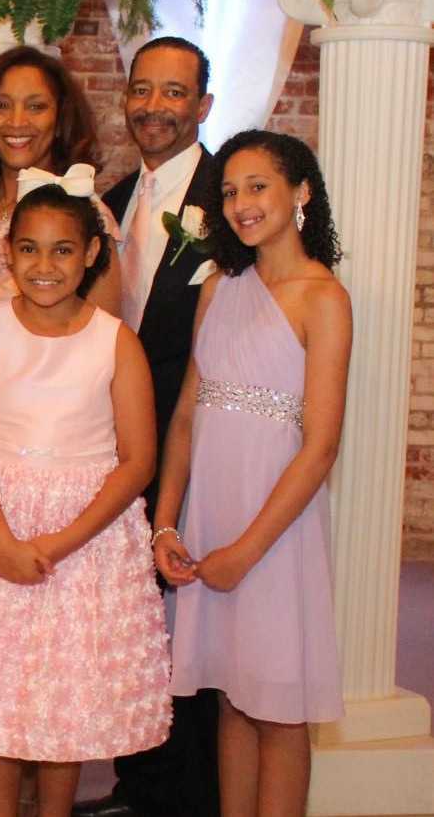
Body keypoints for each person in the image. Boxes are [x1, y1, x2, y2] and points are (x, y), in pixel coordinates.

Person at [0, 182, 171, 817]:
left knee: (69, 694)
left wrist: (59, 544)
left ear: (92, 252)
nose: (44, 266)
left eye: (62, 251)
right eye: (30, 249)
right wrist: (2, 541)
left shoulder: (116, 340)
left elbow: (138, 460)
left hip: (86, 538)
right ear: (7, 253)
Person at [153, 130, 349, 816]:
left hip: (273, 531)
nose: (241, 203)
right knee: (232, 698)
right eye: (229, 191)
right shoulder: (218, 288)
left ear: (300, 193)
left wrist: (247, 551)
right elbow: (184, 420)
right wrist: (166, 522)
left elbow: (320, 447)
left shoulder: (322, 297)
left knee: (278, 709)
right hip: (210, 517)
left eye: (257, 186)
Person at [76, 36, 221, 817]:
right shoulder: (118, 194)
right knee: (134, 615)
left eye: (174, 93)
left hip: (193, 434)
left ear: (203, 106)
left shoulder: (228, 197)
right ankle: (141, 783)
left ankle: (188, 794)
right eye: (142, 90)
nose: (154, 106)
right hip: (115, 436)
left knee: (187, 611)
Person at [0, 45, 119, 335]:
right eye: (0, 105)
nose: (16, 121)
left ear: (61, 118)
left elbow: (103, 343)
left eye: (36, 106)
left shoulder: (86, 213)